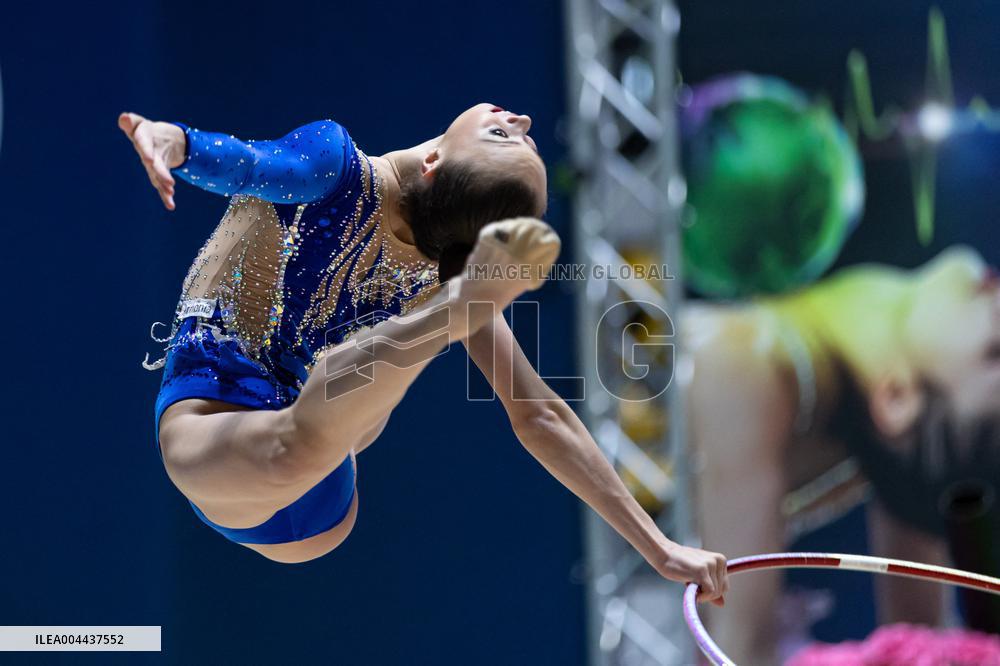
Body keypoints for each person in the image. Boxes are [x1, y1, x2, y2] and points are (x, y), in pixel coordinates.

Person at [117, 104, 729, 606]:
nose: (523, 121)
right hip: (270, 458)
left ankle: (437, 325)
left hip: (247, 429)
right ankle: (436, 326)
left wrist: (175, 142)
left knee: (308, 431)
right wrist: (660, 547)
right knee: (297, 438)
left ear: (434, 162)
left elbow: (539, 413)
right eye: (514, 133)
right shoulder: (413, 240)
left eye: (504, 133)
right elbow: (253, 166)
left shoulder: (337, 165)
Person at [686, 246, 1000, 663]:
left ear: (897, 398)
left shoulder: (746, 363)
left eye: (995, 351)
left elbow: (733, 652)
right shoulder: (881, 448)